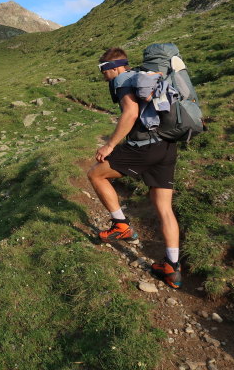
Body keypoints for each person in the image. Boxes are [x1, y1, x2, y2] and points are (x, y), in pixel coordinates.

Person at [87, 47, 182, 289]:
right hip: (167, 146)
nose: (102, 76)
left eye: (103, 70)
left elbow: (130, 114)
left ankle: (121, 226)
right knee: (164, 208)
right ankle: (172, 267)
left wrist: (109, 145)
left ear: (114, 67)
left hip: (143, 147)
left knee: (95, 174)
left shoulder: (122, 80)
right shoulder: (145, 76)